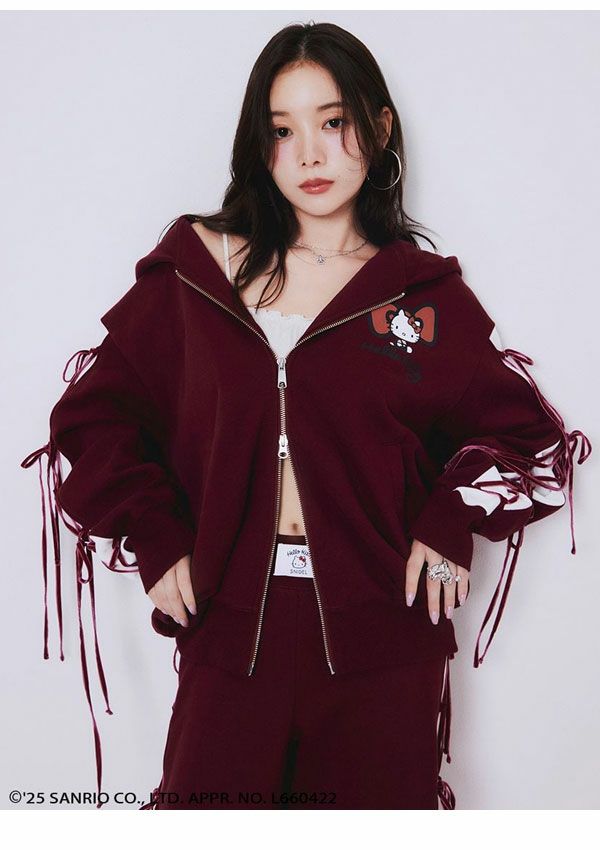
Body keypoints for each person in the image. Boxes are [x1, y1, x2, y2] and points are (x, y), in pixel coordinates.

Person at [21, 21, 591, 811]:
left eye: (334, 121)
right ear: (259, 145)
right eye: (282, 131)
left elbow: (531, 442)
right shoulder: (197, 272)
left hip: (385, 638)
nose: (310, 155)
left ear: (379, 127)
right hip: (230, 629)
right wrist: (154, 531)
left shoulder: (419, 297)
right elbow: (91, 420)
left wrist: (450, 517)